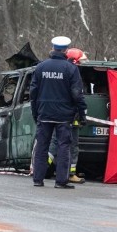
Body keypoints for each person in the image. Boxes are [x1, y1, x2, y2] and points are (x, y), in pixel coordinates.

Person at [29, 36, 87, 188]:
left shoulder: (41, 67)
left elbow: (33, 92)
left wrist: (36, 112)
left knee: (42, 146)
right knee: (64, 147)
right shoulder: (71, 69)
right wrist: (82, 113)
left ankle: (38, 179)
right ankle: (61, 181)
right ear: (66, 50)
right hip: (64, 116)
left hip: (44, 114)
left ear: (53, 48)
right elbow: (77, 94)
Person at [48, 47, 88, 184]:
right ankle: (69, 174)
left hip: (60, 115)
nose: (81, 65)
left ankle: (41, 167)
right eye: (80, 62)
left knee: (54, 143)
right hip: (71, 116)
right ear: (75, 61)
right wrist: (83, 114)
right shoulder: (73, 74)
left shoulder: (63, 73)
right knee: (71, 146)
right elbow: (77, 96)